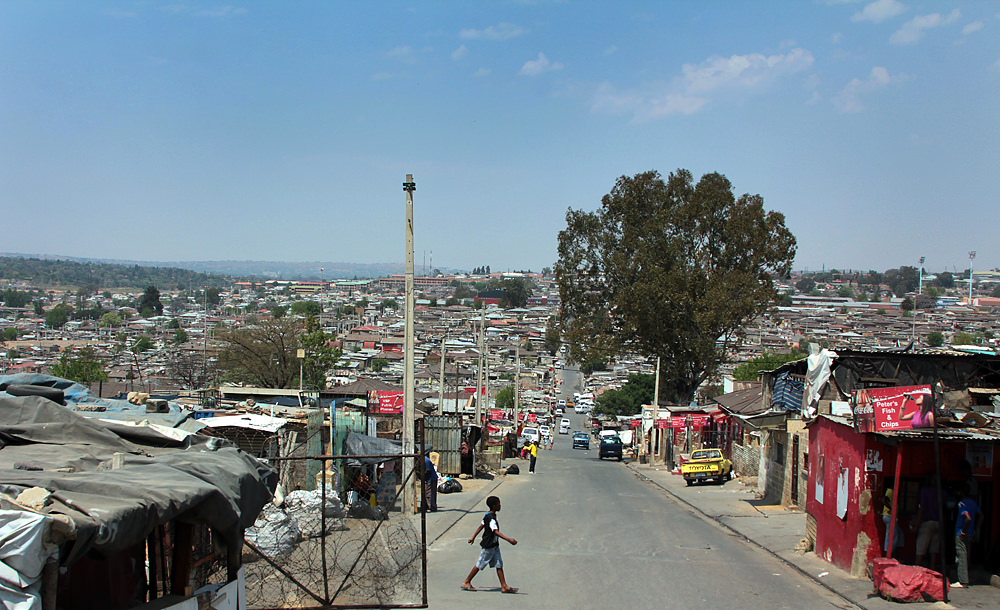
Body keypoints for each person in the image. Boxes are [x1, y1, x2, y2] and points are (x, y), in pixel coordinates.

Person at [461, 496, 518, 593]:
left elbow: (481, 527)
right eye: (498, 504)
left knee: (499, 564)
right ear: (494, 506)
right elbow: (495, 532)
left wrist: (473, 537)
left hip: (494, 545)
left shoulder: (487, 515)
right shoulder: (491, 518)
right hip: (489, 546)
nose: (500, 506)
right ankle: (467, 581)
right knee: (480, 563)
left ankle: (504, 586)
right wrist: (508, 539)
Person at [954, 484, 981, 587]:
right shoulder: (973, 503)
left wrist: (963, 531)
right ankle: (964, 578)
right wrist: (976, 529)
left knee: (961, 556)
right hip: (970, 533)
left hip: (961, 532)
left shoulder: (962, 504)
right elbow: (981, 515)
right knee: (966, 555)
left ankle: (962, 581)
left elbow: (968, 518)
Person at [913, 474, 942, 570]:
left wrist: (916, 526)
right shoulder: (942, 492)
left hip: (927, 522)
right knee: (933, 550)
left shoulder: (925, 491)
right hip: (938, 522)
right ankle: (932, 570)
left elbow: (922, 509)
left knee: (921, 549)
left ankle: (917, 570)